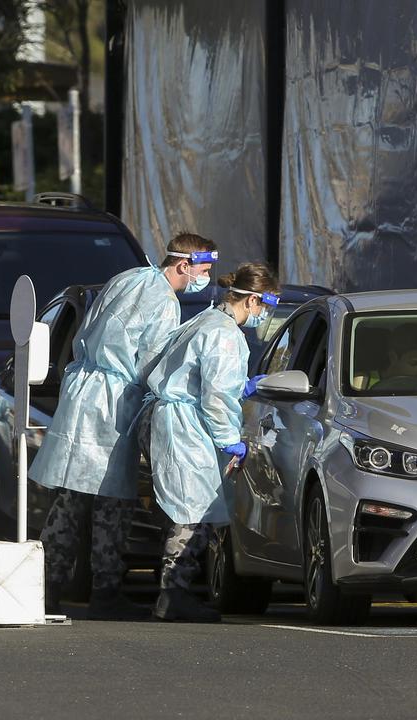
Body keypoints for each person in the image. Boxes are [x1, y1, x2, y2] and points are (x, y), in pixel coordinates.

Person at [30, 233, 218, 619]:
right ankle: (107, 590)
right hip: (113, 403)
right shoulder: (164, 302)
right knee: (111, 502)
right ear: (183, 265)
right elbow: (154, 364)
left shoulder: (128, 278)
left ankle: (45, 588)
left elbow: (90, 327)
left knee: (70, 496)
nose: (206, 277)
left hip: (82, 391)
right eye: (204, 269)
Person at [137, 262, 279, 623]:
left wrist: (241, 385)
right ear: (251, 301)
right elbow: (217, 397)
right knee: (193, 508)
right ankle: (173, 595)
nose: (263, 317)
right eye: (264, 309)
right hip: (184, 427)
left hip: (170, 419)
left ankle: (173, 590)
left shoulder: (206, 320)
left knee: (184, 506)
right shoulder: (225, 335)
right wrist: (231, 441)